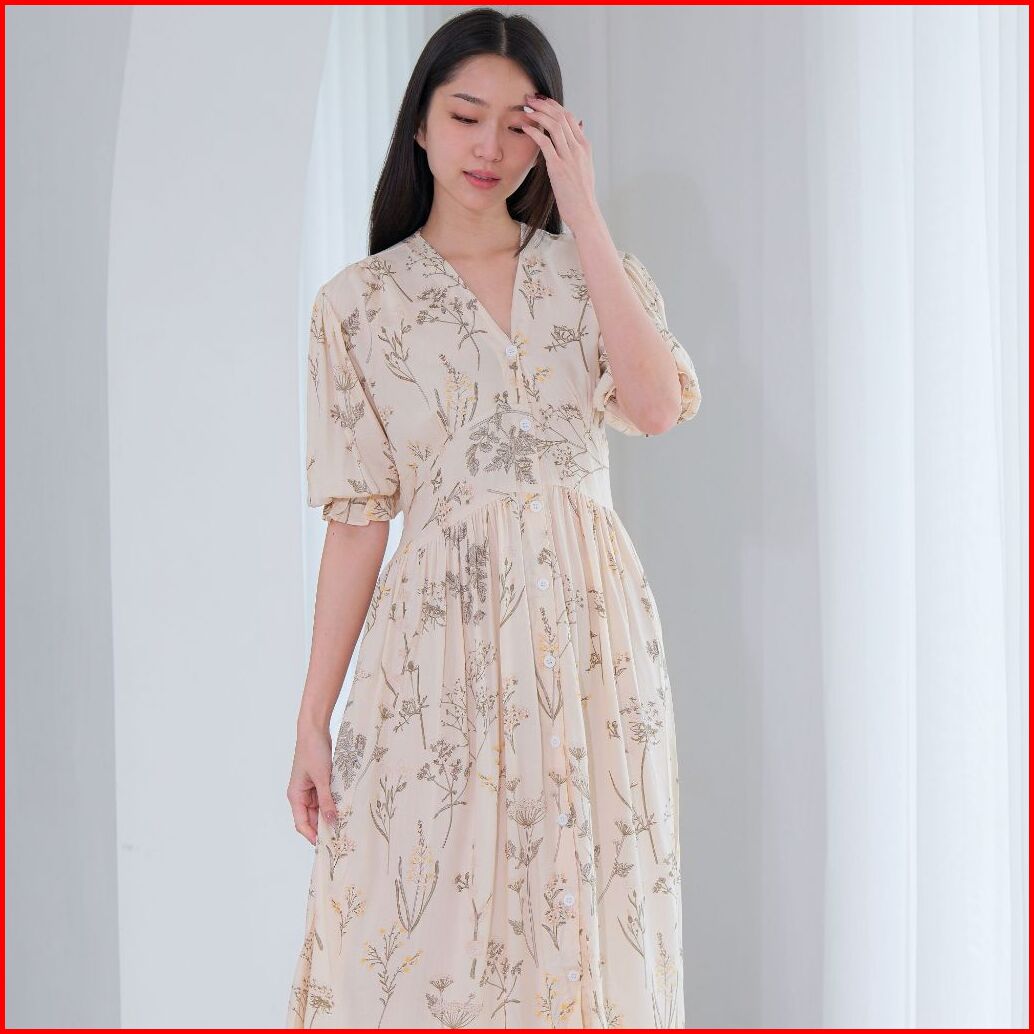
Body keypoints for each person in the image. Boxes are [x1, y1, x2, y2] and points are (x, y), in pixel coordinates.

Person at [285, 7, 701, 1028]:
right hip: (435, 653)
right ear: (419, 125)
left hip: (588, 649)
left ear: (552, 138)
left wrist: (584, 213)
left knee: (589, 920)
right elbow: (357, 525)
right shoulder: (359, 306)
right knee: (425, 934)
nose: (488, 147)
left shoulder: (587, 276)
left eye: (519, 125)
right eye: (465, 115)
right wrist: (311, 718)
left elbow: (654, 406)